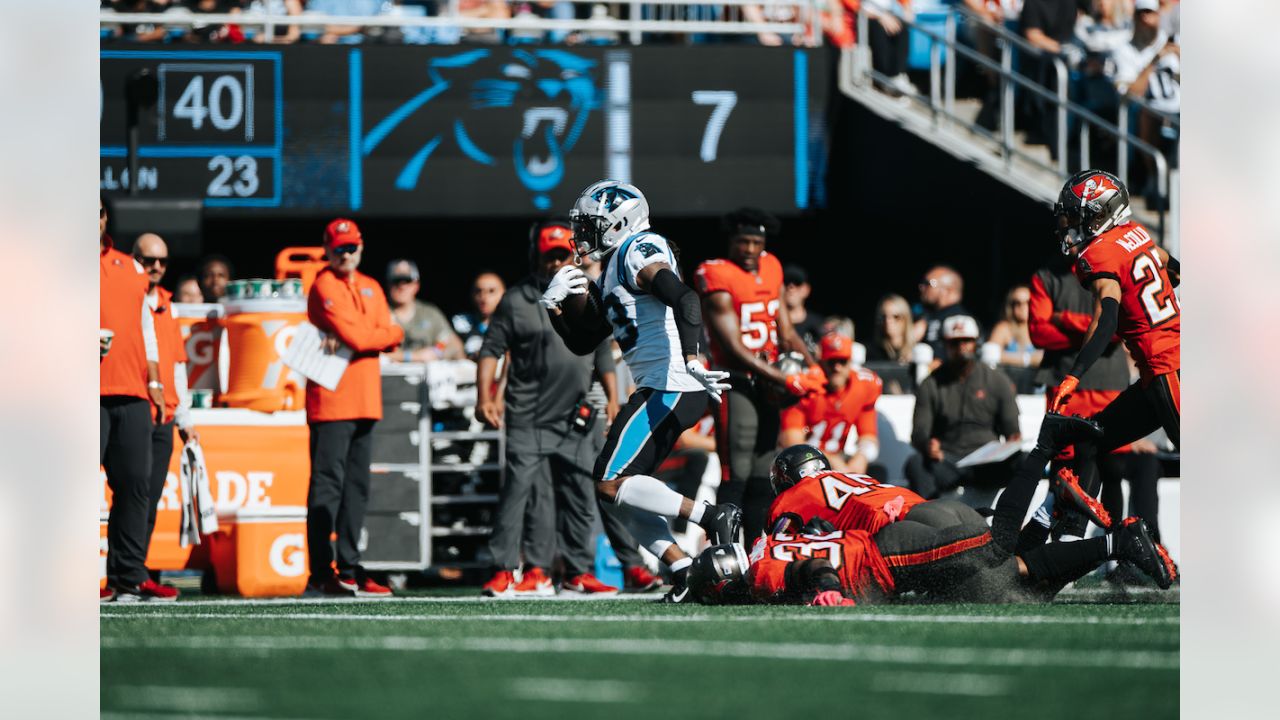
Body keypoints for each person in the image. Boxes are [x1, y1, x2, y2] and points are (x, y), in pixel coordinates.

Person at [540, 179, 745, 603]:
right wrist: (557, 308)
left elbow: (686, 299)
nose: (583, 235)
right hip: (659, 384)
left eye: (592, 225)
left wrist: (692, 358)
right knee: (622, 492)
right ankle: (683, 568)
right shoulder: (614, 263)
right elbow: (584, 341)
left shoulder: (639, 248)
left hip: (673, 381)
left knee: (610, 482)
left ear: (619, 222)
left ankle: (710, 516)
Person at [997, 170, 1180, 550]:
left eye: (1079, 216)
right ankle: (1067, 543)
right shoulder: (1138, 234)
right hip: (1157, 371)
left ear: (1101, 213)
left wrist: (1075, 374)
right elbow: (1173, 269)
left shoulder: (1098, 253)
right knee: (1092, 442)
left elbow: (1106, 319)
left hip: (1169, 368)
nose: (1072, 226)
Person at [475, 218, 620, 598]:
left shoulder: (586, 292)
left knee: (580, 495)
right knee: (517, 494)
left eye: (561, 255)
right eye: (548, 256)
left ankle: (577, 572)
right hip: (528, 414)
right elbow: (491, 351)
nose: (556, 263)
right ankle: (504, 570)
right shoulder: (516, 299)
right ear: (536, 257)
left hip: (575, 416)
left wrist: (613, 400)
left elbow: (602, 350)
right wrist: (484, 397)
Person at [689, 502, 1173, 606]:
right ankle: (1115, 542)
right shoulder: (768, 539)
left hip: (890, 557)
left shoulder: (760, 572)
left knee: (994, 547)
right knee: (1004, 586)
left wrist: (831, 590)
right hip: (901, 523)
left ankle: (1048, 498)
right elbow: (818, 533)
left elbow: (812, 566)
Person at [695, 208, 823, 544]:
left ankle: (757, 549)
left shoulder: (772, 266)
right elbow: (733, 346)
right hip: (735, 379)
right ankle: (723, 551)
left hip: (767, 383)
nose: (750, 249)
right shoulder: (715, 272)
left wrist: (813, 369)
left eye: (756, 242)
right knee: (734, 470)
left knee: (764, 469)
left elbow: (785, 329)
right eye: (743, 242)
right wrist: (786, 380)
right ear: (731, 241)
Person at [303, 218, 404, 598]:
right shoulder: (323, 286)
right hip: (330, 400)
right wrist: (382, 336)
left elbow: (390, 333)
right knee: (326, 488)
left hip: (364, 398)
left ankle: (347, 566)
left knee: (357, 488)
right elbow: (363, 335)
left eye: (352, 247)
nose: (346, 254)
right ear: (327, 250)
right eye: (340, 248)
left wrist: (378, 336)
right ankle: (319, 573)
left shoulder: (371, 286)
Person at [100, 197, 171, 602]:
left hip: (130, 391)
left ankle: (128, 576)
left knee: (135, 486)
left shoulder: (131, 268)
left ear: (105, 218)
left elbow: (146, 330)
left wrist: (156, 383)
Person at [132, 233, 200, 589]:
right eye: (148, 260)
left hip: (164, 412)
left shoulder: (167, 305)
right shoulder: (125, 298)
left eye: (162, 261)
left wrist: (185, 419)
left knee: (151, 493)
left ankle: (135, 571)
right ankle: (121, 571)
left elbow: (176, 366)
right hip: (131, 405)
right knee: (133, 492)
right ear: (134, 260)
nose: (156, 267)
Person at [905, 315, 1021, 506]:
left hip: (987, 464)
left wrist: (1012, 442)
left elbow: (1012, 431)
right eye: (955, 342)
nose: (961, 347)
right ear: (945, 345)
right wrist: (928, 445)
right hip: (948, 461)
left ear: (976, 343)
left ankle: (1012, 522)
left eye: (967, 341)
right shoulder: (931, 384)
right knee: (915, 463)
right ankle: (931, 518)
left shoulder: (997, 380)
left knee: (1024, 461)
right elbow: (918, 433)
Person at [779, 334, 885, 477]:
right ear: (821, 362)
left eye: (842, 361)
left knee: (878, 472)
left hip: (839, 459)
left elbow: (868, 435)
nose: (837, 367)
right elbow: (793, 445)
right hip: (804, 464)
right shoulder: (805, 387)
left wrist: (861, 457)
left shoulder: (864, 386)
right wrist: (830, 459)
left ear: (850, 362)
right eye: (832, 361)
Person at [766, 444, 925, 536]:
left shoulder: (793, 496)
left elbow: (779, 549)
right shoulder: (847, 475)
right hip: (910, 499)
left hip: (884, 521)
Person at [384, 259, 465, 363]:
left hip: (427, 375)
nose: (402, 286)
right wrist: (412, 356)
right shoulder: (378, 312)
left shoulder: (429, 313)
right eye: (396, 281)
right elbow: (368, 348)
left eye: (407, 281)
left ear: (416, 285)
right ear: (388, 284)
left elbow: (453, 344)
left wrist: (437, 351)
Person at [913, 264, 971, 362]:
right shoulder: (925, 317)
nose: (922, 287)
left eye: (929, 283)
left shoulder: (961, 320)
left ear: (948, 289)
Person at [451, 271, 506, 359]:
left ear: (504, 294)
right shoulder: (460, 323)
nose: (484, 297)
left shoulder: (513, 325)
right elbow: (442, 346)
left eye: (491, 291)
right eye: (478, 291)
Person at [987, 284, 1044, 368]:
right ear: (1011, 306)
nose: (1023, 306)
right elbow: (989, 355)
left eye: (1028, 302)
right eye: (1017, 303)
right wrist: (1028, 359)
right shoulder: (1004, 328)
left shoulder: (1042, 328)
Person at [783, 264, 825, 353]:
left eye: (797, 283)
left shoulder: (819, 325)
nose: (791, 287)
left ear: (806, 289)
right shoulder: (771, 323)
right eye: (786, 282)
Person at [866, 293, 915, 365]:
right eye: (883, 316)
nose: (888, 321)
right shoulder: (870, 353)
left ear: (906, 319)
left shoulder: (917, 353)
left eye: (895, 317)